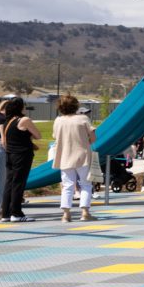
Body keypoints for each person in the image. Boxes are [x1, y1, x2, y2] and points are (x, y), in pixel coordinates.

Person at [52, 95, 96, 223]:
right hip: (82, 155)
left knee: (67, 185)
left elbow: (55, 136)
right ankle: (85, 212)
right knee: (86, 184)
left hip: (64, 156)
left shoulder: (58, 121)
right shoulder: (83, 118)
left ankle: (66, 214)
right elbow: (93, 138)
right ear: (75, 106)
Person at [0, 97, 41, 222]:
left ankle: (5, 213)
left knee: (9, 183)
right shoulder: (24, 120)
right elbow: (38, 135)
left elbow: (4, 141)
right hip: (22, 155)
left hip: (10, 154)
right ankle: (16, 213)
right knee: (19, 183)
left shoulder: (7, 121)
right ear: (20, 107)